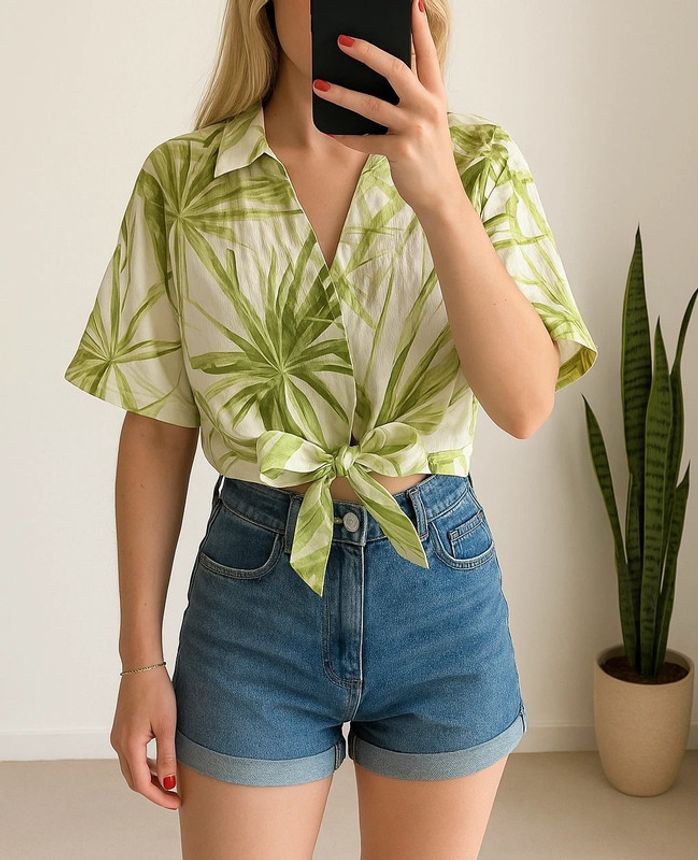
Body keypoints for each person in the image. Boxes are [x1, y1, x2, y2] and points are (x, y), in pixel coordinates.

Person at [63, 1, 598, 857]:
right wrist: (139, 661)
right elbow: (157, 430)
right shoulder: (182, 180)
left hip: (438, 589)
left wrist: (439, 196)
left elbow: (525, 404)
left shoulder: (480, 163)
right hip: (253, 598)